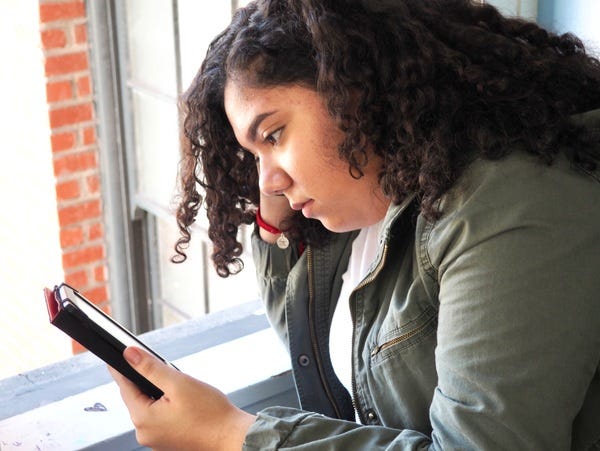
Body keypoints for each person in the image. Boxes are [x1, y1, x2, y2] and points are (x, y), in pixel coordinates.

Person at [108, 0, 600, 449]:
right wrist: (269, 172)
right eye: (252, 154)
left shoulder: (509, 201)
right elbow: (310, 343)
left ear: (353, 86)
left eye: (275, 134)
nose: (268, 181)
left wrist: (231, 434)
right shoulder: (371, 196)